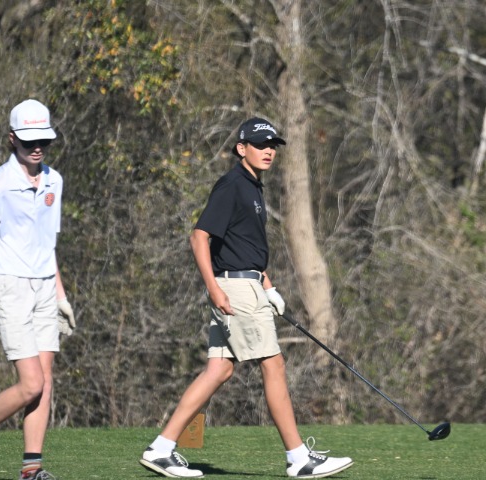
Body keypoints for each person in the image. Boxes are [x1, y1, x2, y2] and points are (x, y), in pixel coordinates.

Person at [140, 117, 353, 479]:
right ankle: (298, 459)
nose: (269, 151)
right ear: (242, 148)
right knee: (274, 365)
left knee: (219, 370)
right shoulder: (233, 185)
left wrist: (268, 287)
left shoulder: (253, 186)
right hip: (235, 291)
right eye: (260, 145)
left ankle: (160, 449)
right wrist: (214, 289)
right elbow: (199, 237)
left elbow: (241, 248)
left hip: (248, 286)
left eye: (272, 146)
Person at [0, 99, 76, 480]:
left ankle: (32, 468)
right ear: (12, 140)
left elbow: (47, 243)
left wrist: (61, 295)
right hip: (9, 285)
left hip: (45, 286)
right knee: (31, 383)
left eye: (44, 140)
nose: (37, 147)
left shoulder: (55, 181)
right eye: (29, 141)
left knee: (45, 379)